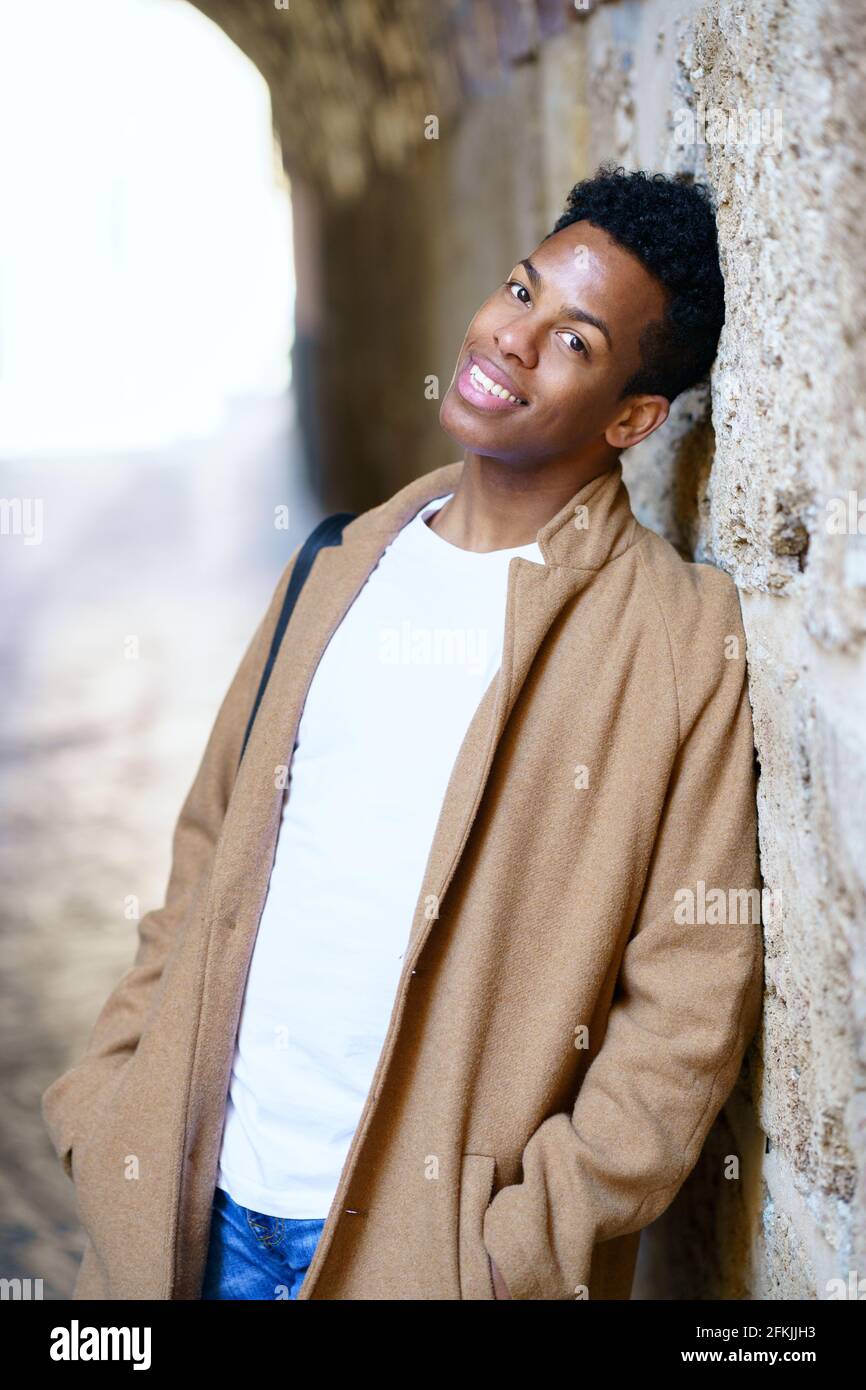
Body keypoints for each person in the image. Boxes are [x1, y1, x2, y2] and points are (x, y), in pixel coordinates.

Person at [42, 164, 764, 1301]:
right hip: (187, 1214)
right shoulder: (335, 563)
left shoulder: (672, 638)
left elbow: (687, 996)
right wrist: (107, 1099)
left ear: (632, 417)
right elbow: (204, 854)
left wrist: (506, 1254)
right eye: (520, 291)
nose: (512, 340)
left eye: (573, 341)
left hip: (421, 1257)